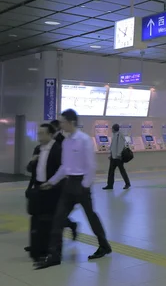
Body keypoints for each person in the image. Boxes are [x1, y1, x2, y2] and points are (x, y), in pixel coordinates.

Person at [36, 109, 111, 269]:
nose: (60, 124)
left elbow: (91, 166)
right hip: (69, 185)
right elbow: (65, 166)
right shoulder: (66, 141)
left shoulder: (84, 140)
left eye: (63, 121)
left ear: (71, 122)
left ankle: (104, 246)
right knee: (58, 219)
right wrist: (52, 182)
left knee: (91, 217)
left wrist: (84, 186)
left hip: (81, 185)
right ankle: (54, 256)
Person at [25, 124, 76, 261]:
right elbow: (30, 169)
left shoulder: (58, 149)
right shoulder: (38, 149)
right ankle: (38, 249)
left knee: (53, 222)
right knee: (38, 220)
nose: (39, 136)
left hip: (53, 190)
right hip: (39, 189)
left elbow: (64, 171)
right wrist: (32, 161)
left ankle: (53, 251)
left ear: (50, 134)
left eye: (42, 133)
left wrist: (52, 183)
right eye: (38, 133)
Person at [102, 124, 131, 190]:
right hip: (113, 157)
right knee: (111, 171)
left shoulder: (120, 135)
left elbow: (120, 146)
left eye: (112, 128)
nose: (111, 129)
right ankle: (110, 185)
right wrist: (110, 154)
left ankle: (127, 183)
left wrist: (118, 154)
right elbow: (112, 146)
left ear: (114, 129)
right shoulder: (114, 135)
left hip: (118, 157)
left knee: (122, 171)